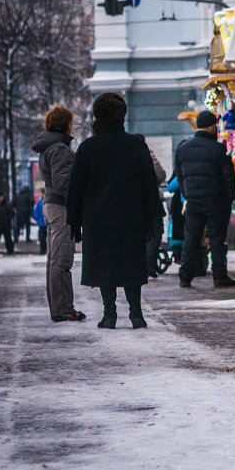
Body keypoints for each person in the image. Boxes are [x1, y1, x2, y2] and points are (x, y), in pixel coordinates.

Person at [67, 93, 162, 329]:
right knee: (131, 263)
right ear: (122, 116)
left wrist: (74, 221)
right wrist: (152, 218)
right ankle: (136, 313)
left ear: (97, 116)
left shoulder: (88, 147)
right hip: (132, 216)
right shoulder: (136, 145)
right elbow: (149, 184)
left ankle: (109, 314)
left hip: (97, 218)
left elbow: (75, 188)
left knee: (104, 264)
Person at [32, 104, 85, 323]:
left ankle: (59, 307)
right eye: (70, 122)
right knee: (62, 259)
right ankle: (63, 308)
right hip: (60, 207)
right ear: (65, 124)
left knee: (54, 258)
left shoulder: (48, 146)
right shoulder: (59, 149)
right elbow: (64, 183)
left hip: (51, 205)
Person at [174, 110, 235, 288]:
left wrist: (188, 194)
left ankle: (185, 276)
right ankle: (219, 276)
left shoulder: (182, 149)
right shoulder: (219, 149)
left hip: (193, 201)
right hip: (216, 201)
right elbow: (228, 177)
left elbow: (180, 177)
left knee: (191, 239)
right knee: (217, 239)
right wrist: (229, 198)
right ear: (210, 127)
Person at [135, 134, 167, 279]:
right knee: (155, 232)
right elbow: (160, 175)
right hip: (151, 201)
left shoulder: (125, 155)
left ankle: (139, 265)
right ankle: (149, 265)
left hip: (133, 204)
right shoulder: (147, 154)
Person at [33, 190, 48, 255]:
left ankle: (43, 250)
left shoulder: (39, 203)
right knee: (47, 238)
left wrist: (38, 219)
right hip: (46, 223)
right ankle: (46, 250)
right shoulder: (45, 202)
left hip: (42, 223)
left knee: (42, 238)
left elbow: (36, 213)